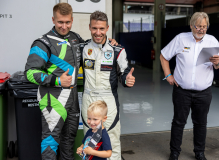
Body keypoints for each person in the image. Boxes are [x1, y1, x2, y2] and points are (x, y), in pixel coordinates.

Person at [24, 3, 117, 160]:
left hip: (72, 99)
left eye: (67, 22)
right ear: (53, 19)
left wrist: (108, 41)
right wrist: (57, 80)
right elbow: (30, 73)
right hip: (53, 100)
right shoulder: (42, 43)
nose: (64, 26)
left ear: (72, 20)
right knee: (50, 142)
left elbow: (91, 46)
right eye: (60, 22)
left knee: (69, 140)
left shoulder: (74, 38)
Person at [160, 12, 219, 160]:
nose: (201, 29)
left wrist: (217, 62)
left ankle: (199, 153)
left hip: (204, 92)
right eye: (198, 26)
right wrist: (168, 75)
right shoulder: (181, 39)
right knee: (178, 122)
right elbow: (164, 56)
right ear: (191, 26)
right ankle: (174, 152)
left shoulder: (212, 41)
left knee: (201, 123)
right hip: (182, 91)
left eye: (204, 26)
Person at [79, 11, 135, 160]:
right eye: (95, 28)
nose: (98, 32)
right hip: (88, 98)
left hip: (108, 100)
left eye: (102, 29)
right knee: (89, 140)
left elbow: (125, 73)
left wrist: (127, 81)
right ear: (90, 27)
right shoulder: (81, 48)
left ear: (107, 28)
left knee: (113, 140)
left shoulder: (117, 50)